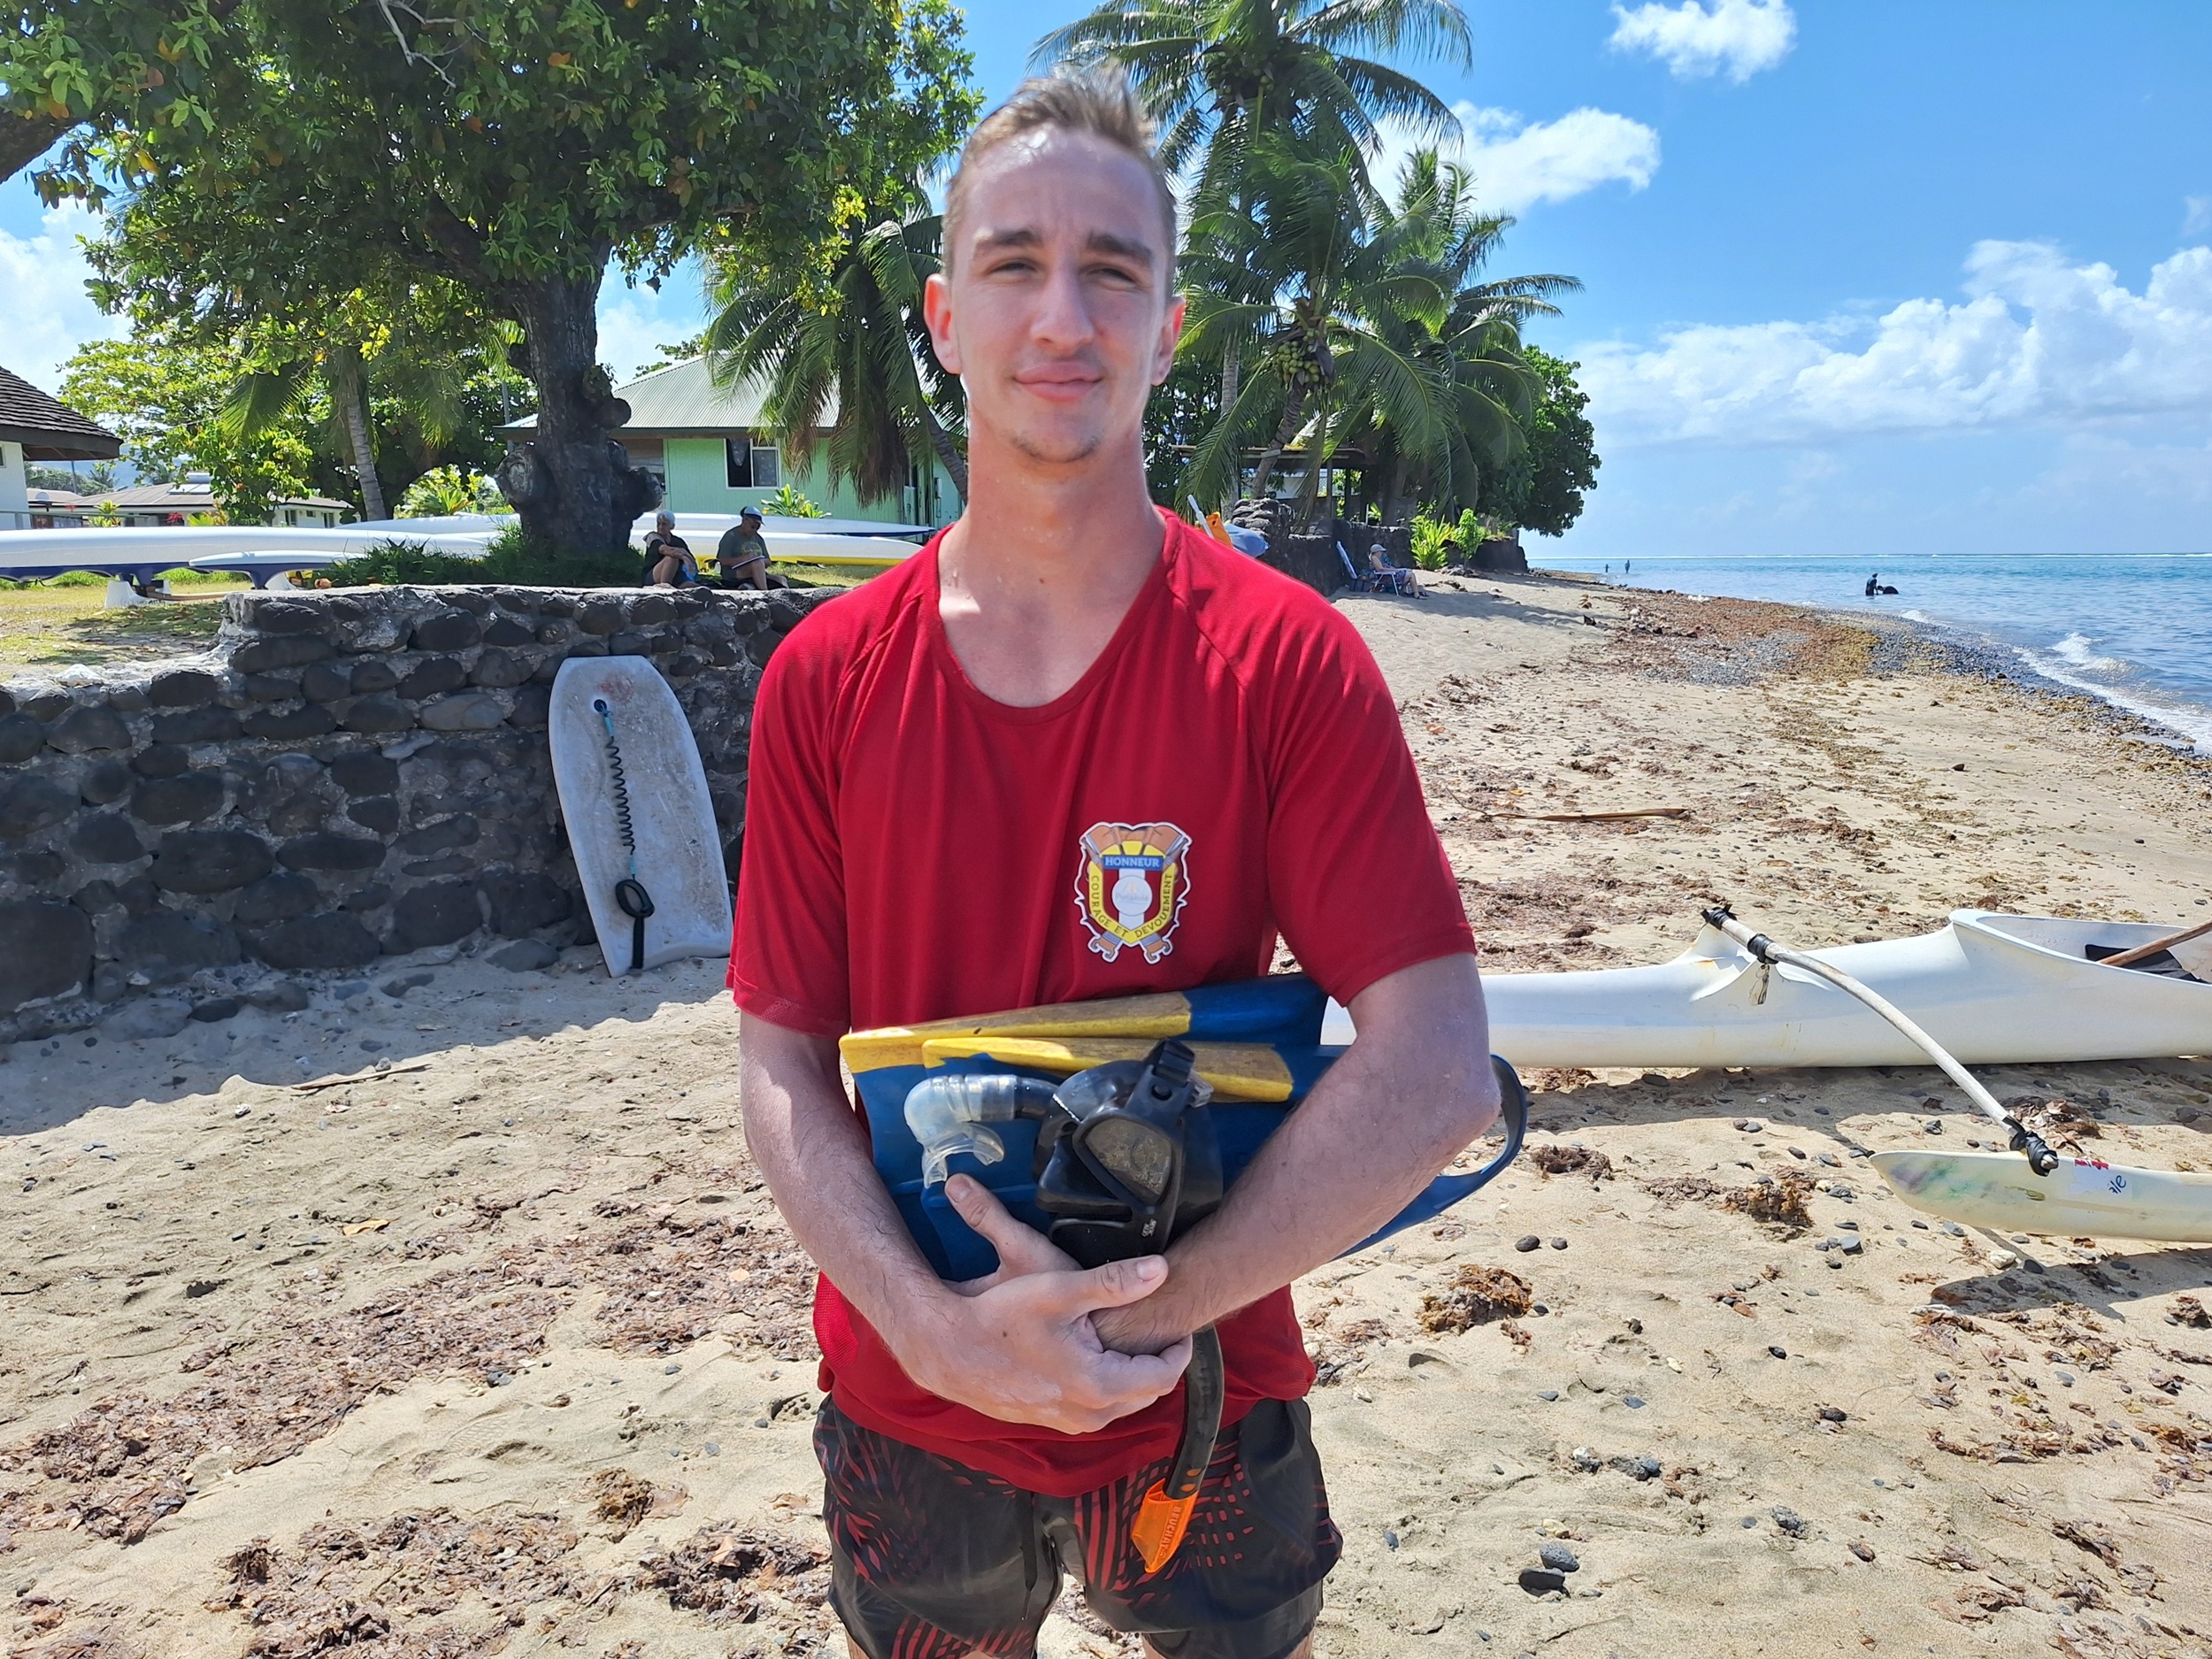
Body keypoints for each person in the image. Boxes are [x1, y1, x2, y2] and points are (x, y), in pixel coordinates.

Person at [732, 71, 1497, 1659]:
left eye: (1113, 270)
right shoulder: (825, 679)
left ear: (1169, 325)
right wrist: (937, 1332)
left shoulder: (1287, 662)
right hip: (910, 1391)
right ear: (945, 318)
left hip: (1203, 1379)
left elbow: (1436, 1066)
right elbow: (781, 1067)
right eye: (1014, 263)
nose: (1063, 316)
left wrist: (1145, 1307)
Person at [716, 506, 774, 590]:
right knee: (757, 564)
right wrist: (745, 558)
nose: (754, 530)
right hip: (734, 575)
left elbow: (768, 561)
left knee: (781, 580)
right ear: (744, 520)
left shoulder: (758, 538)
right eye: (752, 526)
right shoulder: (731, 536)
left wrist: (761, 560)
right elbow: (723, 561)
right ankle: (765, 592)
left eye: (757, 528)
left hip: (756, 573)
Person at [643, 511, 698, 586]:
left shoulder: (678, 541)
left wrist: (688, 560)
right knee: (672, 558)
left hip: (676, 577)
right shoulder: (652, 536)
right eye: (659, 524)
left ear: (672, 526)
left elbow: (691, 559)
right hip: (653, 576)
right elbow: (664, 550)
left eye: (664, 524)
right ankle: (665, 587)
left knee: (695, 587)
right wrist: (683, 556)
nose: (660, 527)